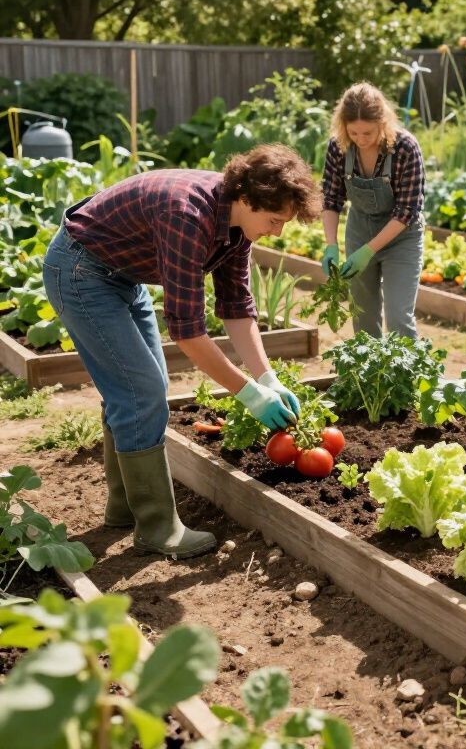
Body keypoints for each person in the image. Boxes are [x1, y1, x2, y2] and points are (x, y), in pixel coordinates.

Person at [43, 144, 321, 559]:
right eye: (274, 220)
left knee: (135, 391)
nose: (277, 231)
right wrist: (247, 394)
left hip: (122, 277)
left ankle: (125, 509)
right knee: (144, 390)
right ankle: (157, 527)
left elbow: (237, 307)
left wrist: (268, 378)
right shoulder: (187, 215)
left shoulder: (236, 226)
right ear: (247, 198)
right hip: (83, 273)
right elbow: (188, 334)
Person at [320, 82, 425, 339]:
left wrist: (369, 250)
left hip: (401, 236)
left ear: (383, 123)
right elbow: (331, 198)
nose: (361, 140)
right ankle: (372, 376)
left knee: (399, 317)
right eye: (353, 133)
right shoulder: (339, 147)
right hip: (359, 230)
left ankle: (405, 377)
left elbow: (407, 211)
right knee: (363, 315)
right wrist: (331, 244)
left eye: (368, 132)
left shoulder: (405, 148)